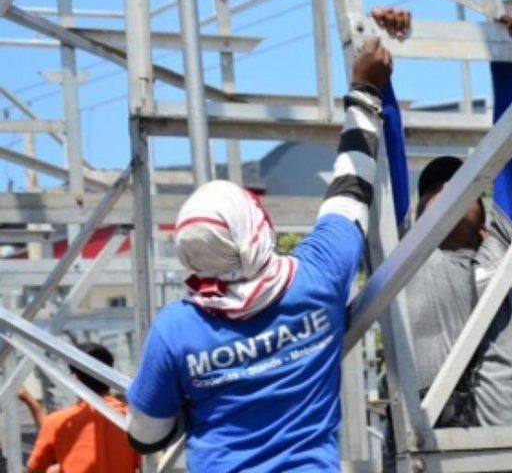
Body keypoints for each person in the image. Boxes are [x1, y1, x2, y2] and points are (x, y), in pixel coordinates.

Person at [124, 37, 395, 471]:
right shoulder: (317, 276)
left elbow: (144, 435)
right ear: (256, 227)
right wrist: (365, 91)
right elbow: (351, 188)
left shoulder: (178, 330)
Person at [369, 7, 512, 428]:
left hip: (496, 450)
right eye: (435, 189)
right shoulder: (403, 250)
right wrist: (382, 52)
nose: (449, 192)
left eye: (463, 187)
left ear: (485, 213)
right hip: (423, 443)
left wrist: (505, 56)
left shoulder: (506, 242)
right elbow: (387, 150)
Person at [27, 342, 140, 473]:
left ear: (75, 377)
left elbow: (34, 469)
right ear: (110, 375)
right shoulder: (132, 420)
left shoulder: (58, 422)